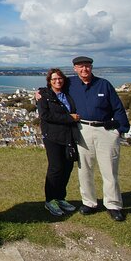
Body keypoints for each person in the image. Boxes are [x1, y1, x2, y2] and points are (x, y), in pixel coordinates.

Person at [68, 56, 130, 222]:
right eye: (80, 67)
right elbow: (53, 87)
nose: (84, 70)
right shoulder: (70, 84)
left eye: (87, 66)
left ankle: (113, 204)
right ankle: (89, 202)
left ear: (91, 67)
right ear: (74, 68)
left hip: (105, 129)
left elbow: (117, 107)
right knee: (84, 169)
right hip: (83, 129)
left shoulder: (104, 84)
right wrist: (39, 93)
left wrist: (120, 129)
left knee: (109, 169)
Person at [37, 68, 81, 216]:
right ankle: (50, 200)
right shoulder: (44, 96)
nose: (57, 81)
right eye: (54, 79)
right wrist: (70, 118)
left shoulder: (68, 94)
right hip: (52, 137)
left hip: (69, 136)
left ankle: (61, 198)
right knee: (56, 168)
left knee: (67, 167)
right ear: (49, 82)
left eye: (60, 79)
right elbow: (45, 116)